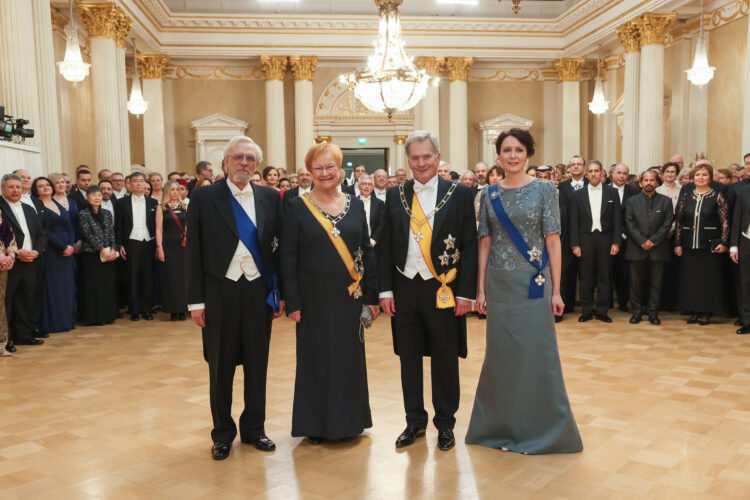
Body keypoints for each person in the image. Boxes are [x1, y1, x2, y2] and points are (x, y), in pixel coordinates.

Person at [467, 128, 582, 454]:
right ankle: (498, 426)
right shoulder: (488, 194)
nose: (513, 155)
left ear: (527, 154)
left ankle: (543, 428)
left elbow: (553, 241)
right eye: (507, 150)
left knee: (537, 354)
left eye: (519, 150)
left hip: (535, 284)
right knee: (501, 358)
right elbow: (484, 243)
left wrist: (558, 290)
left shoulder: (546, 189)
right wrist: (480, 288)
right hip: (500, 284)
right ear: (499, 155)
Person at [378, 131, 477, 451]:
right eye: (415, 158)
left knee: (445, 358)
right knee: (408, 358)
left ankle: (445, 424)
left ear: (438, 157)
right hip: (404, 287)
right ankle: (414, 422)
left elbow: (470, 245)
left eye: (427, 157)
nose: (421, 163)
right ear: (408, 161)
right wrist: (385, 291)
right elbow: (384, 246)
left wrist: (466, 293)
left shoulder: (459, 193)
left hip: (443, 288)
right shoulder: (396, 195)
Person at [186, 135, 284, 460]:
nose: (244, 163)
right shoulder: (203, 198)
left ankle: (255, 429)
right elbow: (194, 253)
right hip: (219, 293)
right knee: (221, 365)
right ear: (225, 162)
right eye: (238, 158)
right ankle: (223, 433)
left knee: (258, 364)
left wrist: (279, 293)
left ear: (257, 164)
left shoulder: (272, 197)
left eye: (250, 159)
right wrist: (195, 302)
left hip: (258, 292)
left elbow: (279, 251)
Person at [282, 141, 378, 444]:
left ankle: (350, 422)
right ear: (309, 172)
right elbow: (287, 256)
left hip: (349, 299)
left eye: (330, 167)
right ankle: (317, 424)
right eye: (318, 168)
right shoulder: (296, 206)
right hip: (312, 302)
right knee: (316, 361)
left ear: (340, 170)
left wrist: (371, 297)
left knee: (348, 360)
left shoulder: (354, 203)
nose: (324, 173)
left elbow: (366, 250)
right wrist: (293, 300)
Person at [674, 164, 729, 325]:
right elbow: (679, 220)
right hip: (689, 244)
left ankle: (706, 312)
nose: (700, 178)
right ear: (693, 178)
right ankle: (693, 310)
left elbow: (725, 221)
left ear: (710, 178)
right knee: (691, 279)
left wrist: (724, 242)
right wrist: (677, 244)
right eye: (698, 175)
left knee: (708, 280)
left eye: (704, 175)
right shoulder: (686, 195)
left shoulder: (716, 195)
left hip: (710, 244)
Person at [569, 160, 622, 323]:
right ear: (586, 174)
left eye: (596, 171)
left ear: (602, 173)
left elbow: (617, 219)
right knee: (586, 277)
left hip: (606, 239)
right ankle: (586, 311)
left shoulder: (612, 193)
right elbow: (574, 221)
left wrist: (616, 242)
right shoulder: (578, 194)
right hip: (585, 239)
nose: (593, 174)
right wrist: (575, 244)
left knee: (604, 276)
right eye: (590, 171)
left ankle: (602, 311)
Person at [0, 174, 45, 350]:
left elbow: (40, 234)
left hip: (31, 260)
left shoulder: (28, 208)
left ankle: (23, 335)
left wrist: (36, 251)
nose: (15, 190)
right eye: (11, 187)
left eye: (18, 187)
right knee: (7, 301)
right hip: (9, 262)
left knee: (27, 299)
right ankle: (7, 339)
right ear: (3, 189)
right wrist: (16, 253)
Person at [624, 170, 674, 325]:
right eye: (646, 180)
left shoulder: (666, 201)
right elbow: (629, 224)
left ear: (657, 183)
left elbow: (667, 224)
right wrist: (642, 241)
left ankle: (653, 313)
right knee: (635, 284)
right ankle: (637, 312)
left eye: (652, 180)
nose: (649, 183)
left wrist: (652, 241)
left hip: (658, 249)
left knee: (656, 284)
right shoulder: (632, 201)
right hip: (636, 248)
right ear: (640, 183)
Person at [33, 177, 76, 334]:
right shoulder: (37, 205)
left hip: (68, 251)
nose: (45, 188)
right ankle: (54, 323)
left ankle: (66, 321)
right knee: (54, 287)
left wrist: (71, 244)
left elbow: (69, 226)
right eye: (41, 186)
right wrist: (63, 246)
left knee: (66, 287)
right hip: (52, 251)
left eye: (47, 185)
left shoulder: (57, 202)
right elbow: (44, 231)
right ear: (36, 190)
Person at [116, 172, 158, 321]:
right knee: (132, 277)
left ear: (146, 184)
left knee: (147, 277)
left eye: (141, 181)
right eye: (135, 181)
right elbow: (118, 226)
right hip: (131, 242)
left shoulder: (153, 202)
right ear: (130, 184)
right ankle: (134, 310)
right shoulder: (121, 203)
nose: (139, 184)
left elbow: (157, 226)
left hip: (149, 242)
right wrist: (119, 244)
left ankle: (147, 309)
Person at [77, 186, 119, 325]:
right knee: (93, 287)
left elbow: (111, 232)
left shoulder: (107, 213)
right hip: (92, 255)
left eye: (99, 195)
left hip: (109, 254)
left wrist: (113, 248)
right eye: (93, 195)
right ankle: (95, 318)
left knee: (107, 286)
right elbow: (87, 233)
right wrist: (101, 249)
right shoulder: (83, 214)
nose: (97, 197)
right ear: (87, 198)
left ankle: (108, 316)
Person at [557, 156, 587, 321]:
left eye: (579, 164)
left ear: (584, 168)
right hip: (566, 234)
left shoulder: (591, 185)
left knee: (585, 273)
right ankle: (566, 304)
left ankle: (586, 306)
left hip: (586, 234)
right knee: (565, 271)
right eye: (573, 164)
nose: (576, 167)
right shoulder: (562, 186)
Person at [609, 163, 640, 313]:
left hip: (627, 239)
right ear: (612, 174)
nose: (622, 176)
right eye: (619, 173)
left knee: (624, 272)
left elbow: (636, 217)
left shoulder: (634, 192)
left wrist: (625, 233)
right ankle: (606, 302)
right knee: (606, 271)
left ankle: (622, 301)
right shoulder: (603, 189)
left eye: (625, 173)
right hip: (605, 238)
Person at [156, 180, 188, 321]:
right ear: (167, 191)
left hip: (183, 246)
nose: (175, 192)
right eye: (172, 189)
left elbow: (189, 226)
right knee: (171, 278)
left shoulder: (185, 206)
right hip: (169, 247)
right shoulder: (161, 208)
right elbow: (158, 230)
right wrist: (160, 247)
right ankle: (172, 310)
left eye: (177, 189)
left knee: (183, 279)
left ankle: (182, 310)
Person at [730, 176, 750, 333]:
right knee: (746, 283)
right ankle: (747, 321)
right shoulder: (744, 192)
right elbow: (736, 219)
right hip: (746, 243)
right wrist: (734, 246)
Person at [0, 207, 16, 356]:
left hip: (2, 265)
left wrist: (10, 254)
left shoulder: (1, 213)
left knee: (0, 304)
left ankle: (1, 344)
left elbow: (8, 234)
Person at [356, 174, 384, 245]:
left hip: (374, 243)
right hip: (357, 242)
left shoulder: (380, 203)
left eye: (370, 184)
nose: (367, 186)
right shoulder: (353, 202)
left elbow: (381, 224)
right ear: (359, 186)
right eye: (364, 184)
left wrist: (373, 240)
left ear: (372, 187)